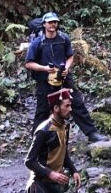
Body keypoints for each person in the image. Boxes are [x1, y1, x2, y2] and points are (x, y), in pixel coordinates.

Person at [24, 11, 105, 142]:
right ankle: (37, 140)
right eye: (50, 22)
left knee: (76, 103)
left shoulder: (63, 38)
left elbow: (70, 56)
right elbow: (29, 63)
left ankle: (92, 134)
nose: (53, 25)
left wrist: (66, 68)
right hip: (45, 80)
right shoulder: (37, 42)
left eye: (55, 22)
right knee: (43, 110)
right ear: (44, 24)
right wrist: (44, 68)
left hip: (63, 78)